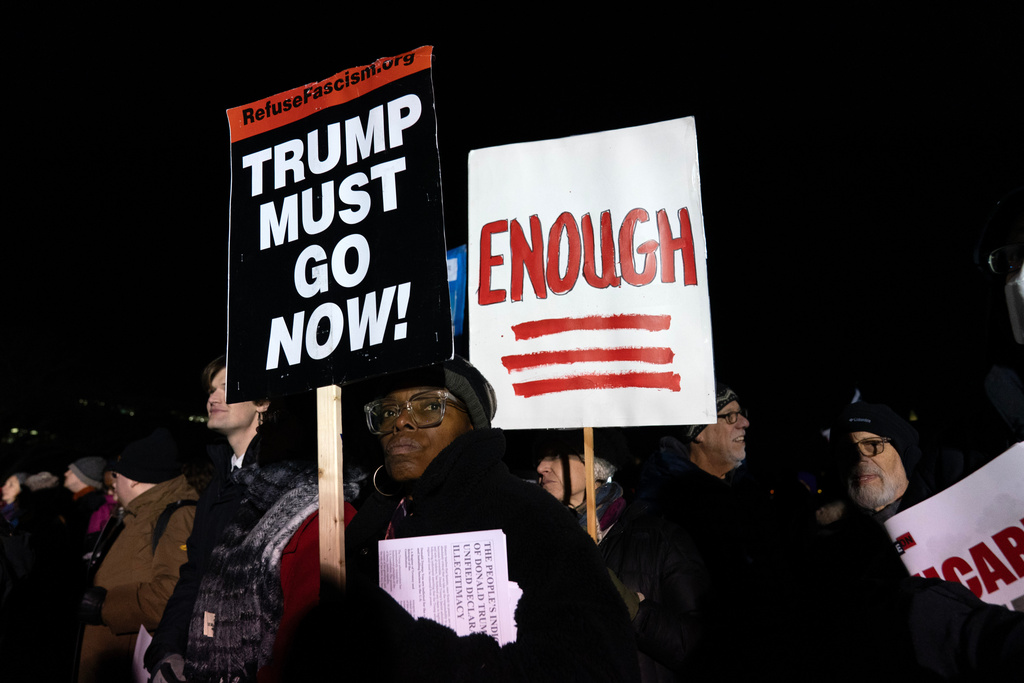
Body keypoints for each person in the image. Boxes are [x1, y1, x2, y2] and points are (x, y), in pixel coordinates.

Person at [338, 356, 640, 681]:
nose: (400, 422)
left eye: (427, 407)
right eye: (387, 411)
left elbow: (598, 663)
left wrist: (425, 654)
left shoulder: (530, 516)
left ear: (471, 424)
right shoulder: (368, 518)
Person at [535, 429, 709, 682]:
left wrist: (635, 611)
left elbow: (702, 648)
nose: (541, 467)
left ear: (595, 466)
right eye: (540, 458)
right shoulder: (534, 542)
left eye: (556, 455)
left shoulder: (659, 539)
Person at [145, 356, 269, 681]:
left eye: (226, 388)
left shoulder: (278, 480)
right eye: (211, 390)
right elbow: (195, 575)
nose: (212, 398)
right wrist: (167, 650)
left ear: (263, 402)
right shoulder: (219, 483)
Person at [76, 428, 198, 683]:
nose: (113, 482)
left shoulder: (178, 516)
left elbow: (172, 595)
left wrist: (104, 606)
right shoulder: (140, 514)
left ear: (132, 479)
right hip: (112, 663)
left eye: (115, 475)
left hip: (130, 666)